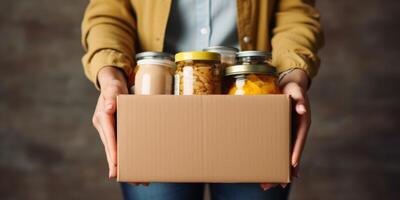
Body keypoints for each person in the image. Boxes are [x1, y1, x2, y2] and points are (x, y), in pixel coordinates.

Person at [81, 0, 323, 199]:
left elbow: (294, 12)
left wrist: (292, 74)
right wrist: (110, 75)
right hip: (157, 107)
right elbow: (109, 12)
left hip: (251, 103)